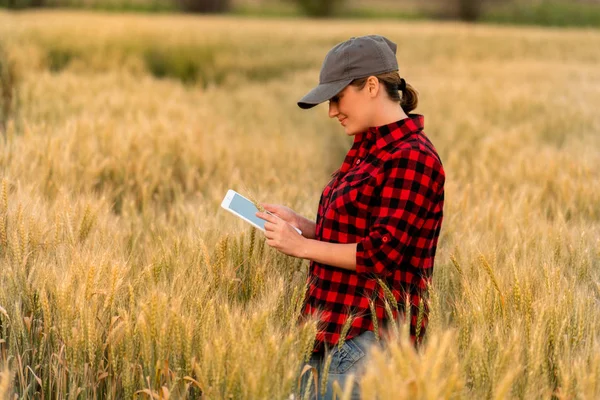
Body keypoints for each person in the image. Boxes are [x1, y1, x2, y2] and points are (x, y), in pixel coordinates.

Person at [255, 35, 445, 399]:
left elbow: (380, 254)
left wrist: (302, 246)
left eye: (337, 98)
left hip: (369, 344)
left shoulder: (412, 157)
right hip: (330, 332)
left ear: (371, 86)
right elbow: (355, 231)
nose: (331, 111)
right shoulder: (368, 148)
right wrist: (302, 225)